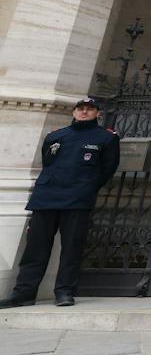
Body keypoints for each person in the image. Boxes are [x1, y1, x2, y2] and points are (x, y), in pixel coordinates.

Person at [2, 97, 121, 308]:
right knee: (35, 248)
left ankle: (64, 291)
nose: (84, 112)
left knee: (71, 248)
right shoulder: (56, 136)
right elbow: (48, 162)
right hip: (47, 196)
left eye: (89, 109)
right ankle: (24, 293)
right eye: (80, 109)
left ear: (98, 113)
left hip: (78, 198)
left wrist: (87, 187)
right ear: (74, 112)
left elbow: (107, 169)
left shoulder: (106, 139)